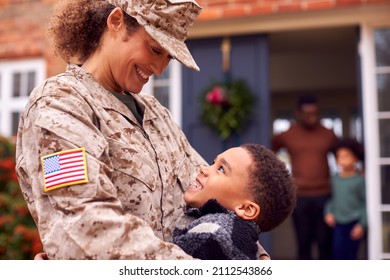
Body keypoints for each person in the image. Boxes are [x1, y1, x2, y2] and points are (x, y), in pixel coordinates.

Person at [15, 0, 270, 260]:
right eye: (154, 49)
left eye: (168, 57)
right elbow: (84, 225)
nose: (160, 69)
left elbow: (217, 198)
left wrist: (256, 257)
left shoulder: (156, 114)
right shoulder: (60, 104)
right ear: (116, 22)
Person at [172, 144, 296, 260]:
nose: (203, 168)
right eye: (213, 163)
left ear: (246, 209)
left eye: (221, 169)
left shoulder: (213, 235)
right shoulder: (237, 235)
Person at [272, 94, 338, 260]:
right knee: (303, 243)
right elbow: (268, 153)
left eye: (315, 113)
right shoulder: (288, 134)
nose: (312, 117)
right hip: (299, 197)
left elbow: (344, 156)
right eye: (308, 113)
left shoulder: (328, 134)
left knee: (325, 244)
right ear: (299, 113)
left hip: (325, 196)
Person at [324, 138, 367, 260]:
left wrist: (362, 225)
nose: (342, 160)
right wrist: (328, 212)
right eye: (339, 157)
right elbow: (332, 199)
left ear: (355, 158)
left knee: (351, 256)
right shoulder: (334, 179)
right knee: (338, 254)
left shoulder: (360, 180)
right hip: (338, 224)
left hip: (354, 223)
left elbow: (365, 203)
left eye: (346, 156)